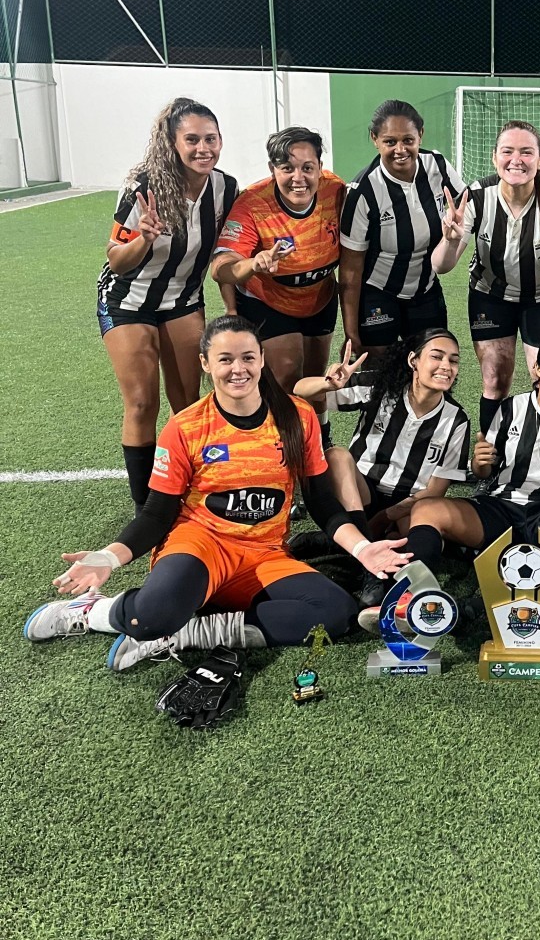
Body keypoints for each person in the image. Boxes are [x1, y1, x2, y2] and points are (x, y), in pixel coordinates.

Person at [23, 317, 411, 670]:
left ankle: (188, 633)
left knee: (335, 613)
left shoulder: (298, 417)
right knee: (150, 617)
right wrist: (108, 557)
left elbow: (322, 503)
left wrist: (363, 548)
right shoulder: (186, 427)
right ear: (206, 364)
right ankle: (92, 611)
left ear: (262, 360)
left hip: (263, 555)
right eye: (225, 359)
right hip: (200, 546)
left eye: (247, 358)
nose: (238, 369)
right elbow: (156, 514)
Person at [357, 332, 540, 627]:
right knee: (426, 509)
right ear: (537, 368)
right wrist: (480, 463)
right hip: (501, 508)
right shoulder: (511, 409)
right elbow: (484, 473)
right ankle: (407, 596)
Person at [96, 97, 238, 513]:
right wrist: (144, 238)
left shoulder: (226, 188)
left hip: (183, 300)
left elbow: (227, 254)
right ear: (172, 143)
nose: (203, 148)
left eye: (210, 139)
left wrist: (231, 309)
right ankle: (147, 509)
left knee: (189, 403)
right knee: (142, 402)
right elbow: (116, 260)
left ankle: (189, 490)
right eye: (192, 140)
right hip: (129, 300)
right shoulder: (143, 187)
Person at [292, 329, 471, 606]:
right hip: (360, 494)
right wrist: (327, 384)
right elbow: (299, 391)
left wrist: (386, 516)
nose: (446, 366)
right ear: (413, 360)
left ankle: (332, 542)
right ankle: (369, 570)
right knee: (337, 456)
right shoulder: (380, 386)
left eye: (453, 360)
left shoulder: (456, 420)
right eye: (436, 357)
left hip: (407, 506)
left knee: (420, 536)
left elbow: (435, 491)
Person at [431, 121, 540, 431]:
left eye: (527, 152)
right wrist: (450, 240)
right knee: (495, 379)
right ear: (494, 157)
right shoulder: (476, 196)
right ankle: (491, 451)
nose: (516, 160)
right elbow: (441, 266)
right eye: (508, 151)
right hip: (491, 296)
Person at [210, 127, 345, 396]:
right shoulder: (252, 203)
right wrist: (253, 264)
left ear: (320, 167)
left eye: (307, 168)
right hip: (268, 301)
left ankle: (318, 425)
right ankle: (282, 424)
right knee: (287, 376)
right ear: (273, 169)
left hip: (320, 297)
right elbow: (221, 267)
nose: (298, 178)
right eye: (287, 168)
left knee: (318, 381)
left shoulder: (336, 190)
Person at [339, 100, 464, 357]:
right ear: (375, 139)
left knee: (431, 363)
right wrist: (351, 332)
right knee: (377, 370)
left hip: (425, 289)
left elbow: (466, 207)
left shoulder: (437, 165)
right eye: (390, 141)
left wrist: (452, 243)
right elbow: (350, 270)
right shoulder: (363, 192)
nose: (400, 150)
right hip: (378, 292)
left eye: (408, 140)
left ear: (421, 135)